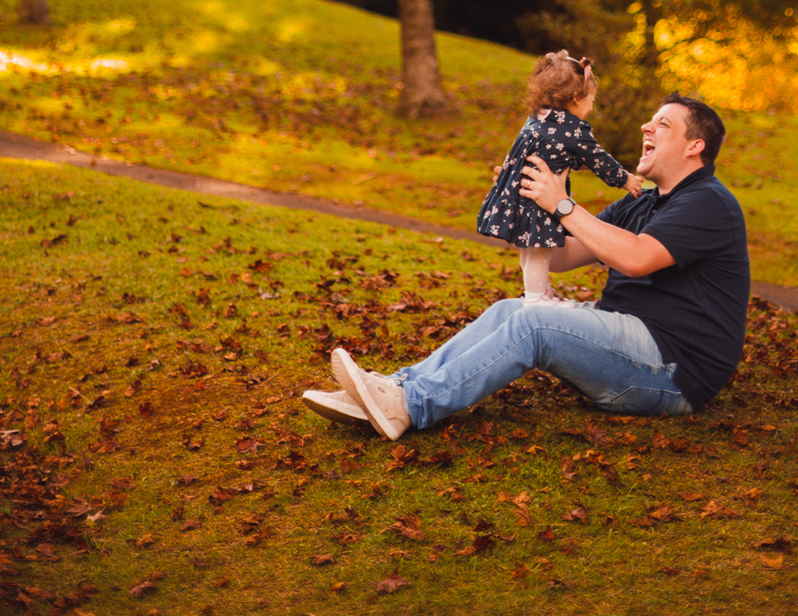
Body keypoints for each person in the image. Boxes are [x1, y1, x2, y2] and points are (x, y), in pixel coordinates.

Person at [302, 94, 749, 440]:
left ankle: (409, 406)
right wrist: (527, 205)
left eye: (662, 124)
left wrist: (563, 203)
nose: (645, 126)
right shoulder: (643, 203)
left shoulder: (709, 202)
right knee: (510, 310)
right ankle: (392, 390)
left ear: (695, 146)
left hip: (671, 370)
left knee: (535, 324)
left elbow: (635, 258)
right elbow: (562, 257)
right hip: (632, 340)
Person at [476, 50, 644, 302]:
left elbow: (554, 153)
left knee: (529, 247)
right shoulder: (574, 129)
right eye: (591, 100)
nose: (591, 106)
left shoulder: (536, 119)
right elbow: (598, 158)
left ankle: (537, 291)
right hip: (540, 200)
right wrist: (625, 179)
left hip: (521, 192)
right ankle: (536, 298)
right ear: (576, 97)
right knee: (541, 251)